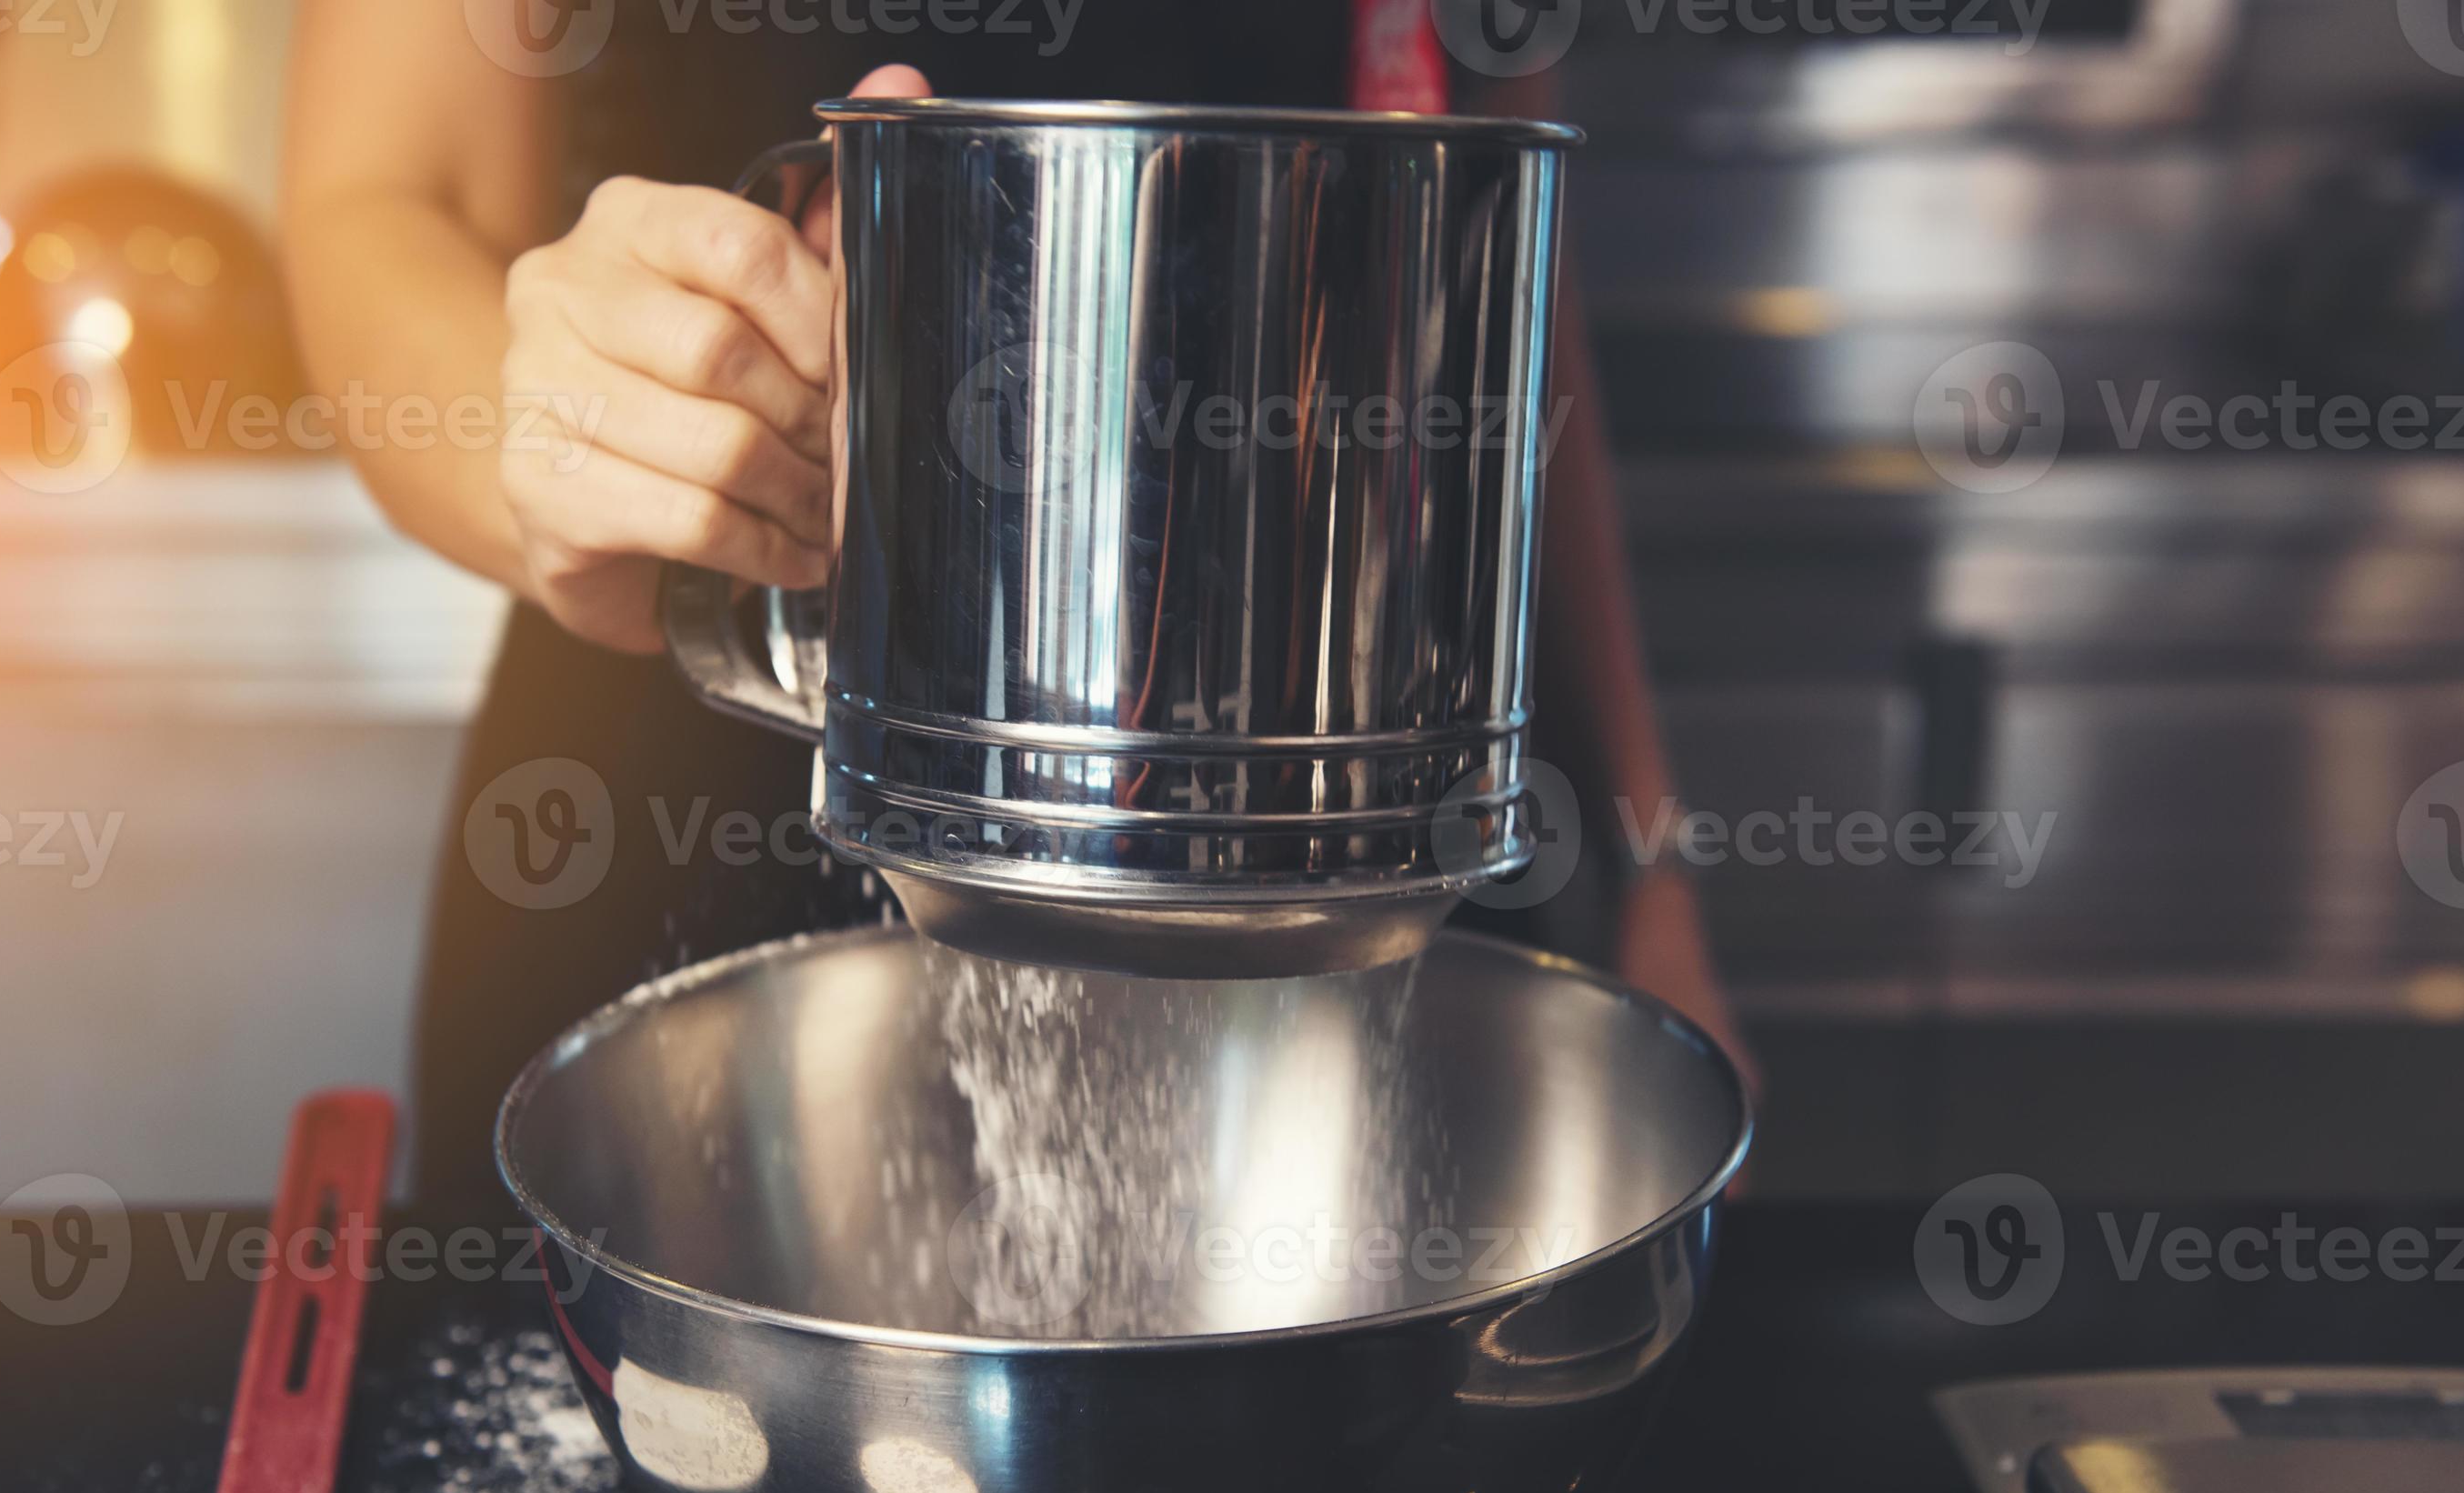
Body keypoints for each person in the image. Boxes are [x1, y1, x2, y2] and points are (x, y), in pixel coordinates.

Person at [281, 1, 1748, 1217]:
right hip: (700, 804)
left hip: (1330, 841)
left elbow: (1502, 284)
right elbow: (378, 198)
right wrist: (538, 453)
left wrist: (1648, 858)